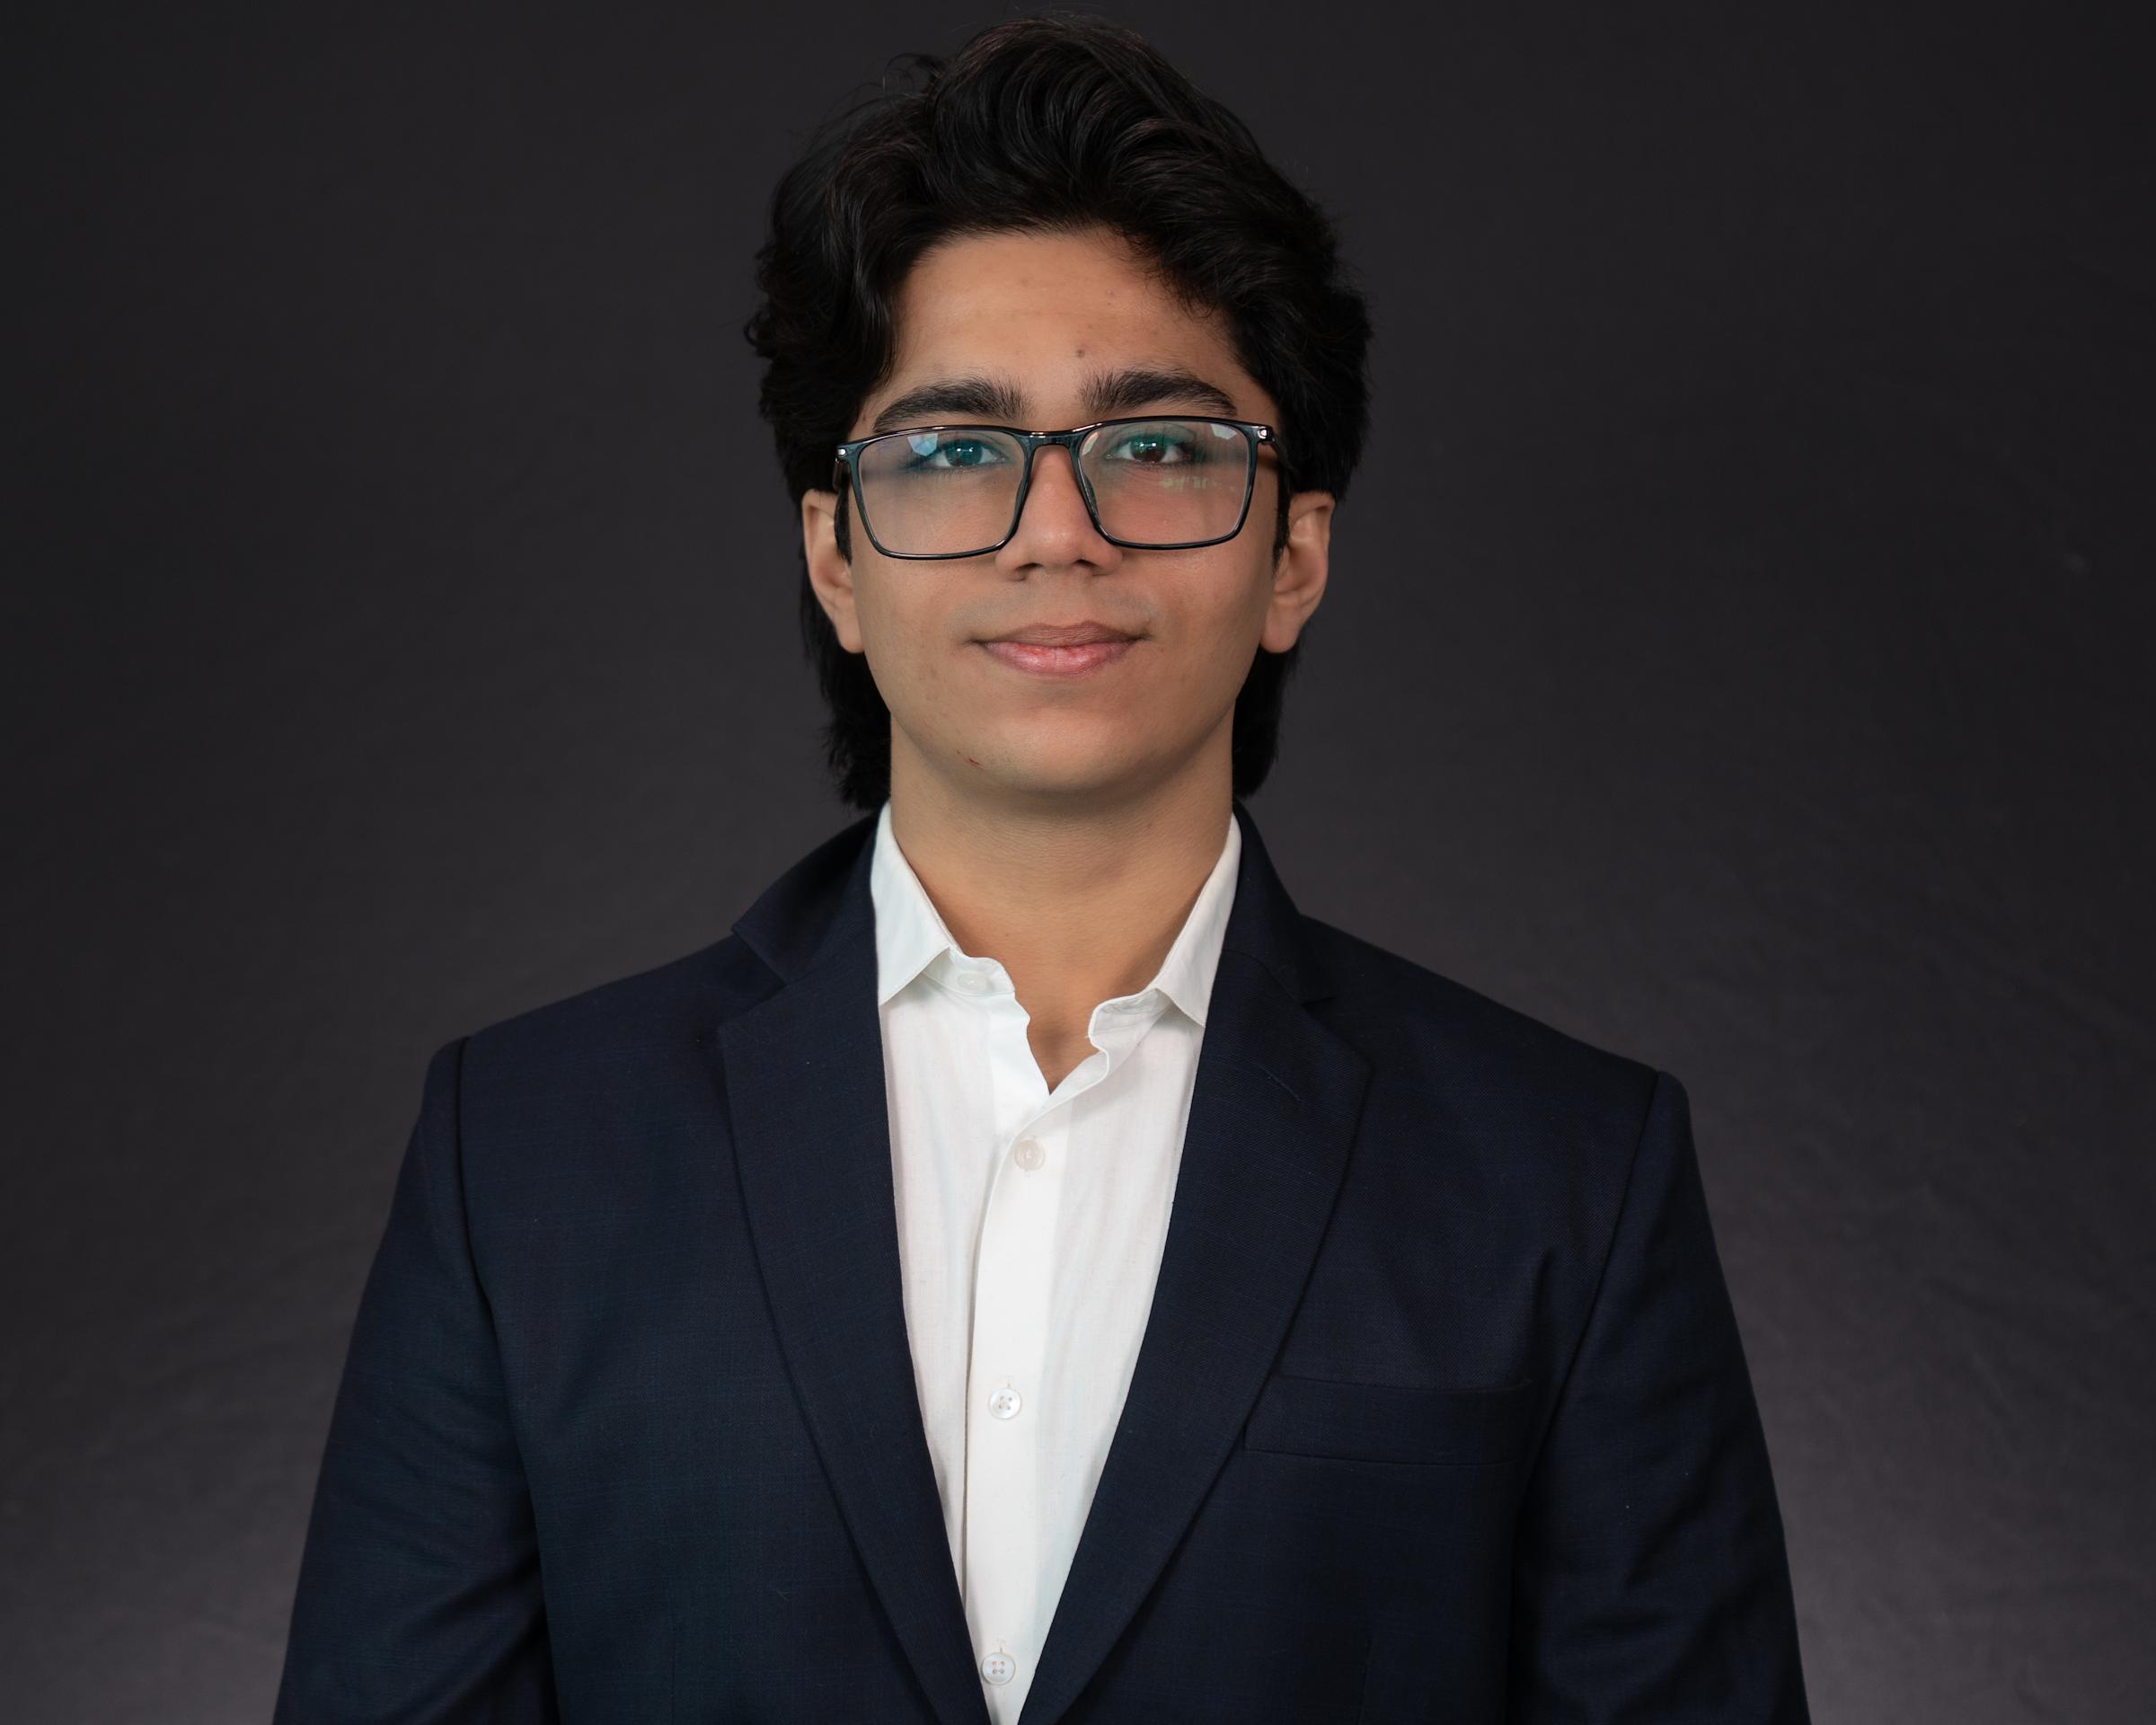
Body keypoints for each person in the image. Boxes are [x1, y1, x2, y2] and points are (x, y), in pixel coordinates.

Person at [273, 15, 1810, 1722]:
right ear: (836, 559)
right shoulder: (529, 1158)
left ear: (1295, 554)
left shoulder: (1563, 1178)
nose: (1054, 530)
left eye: (1157, 445)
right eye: (951, 451)